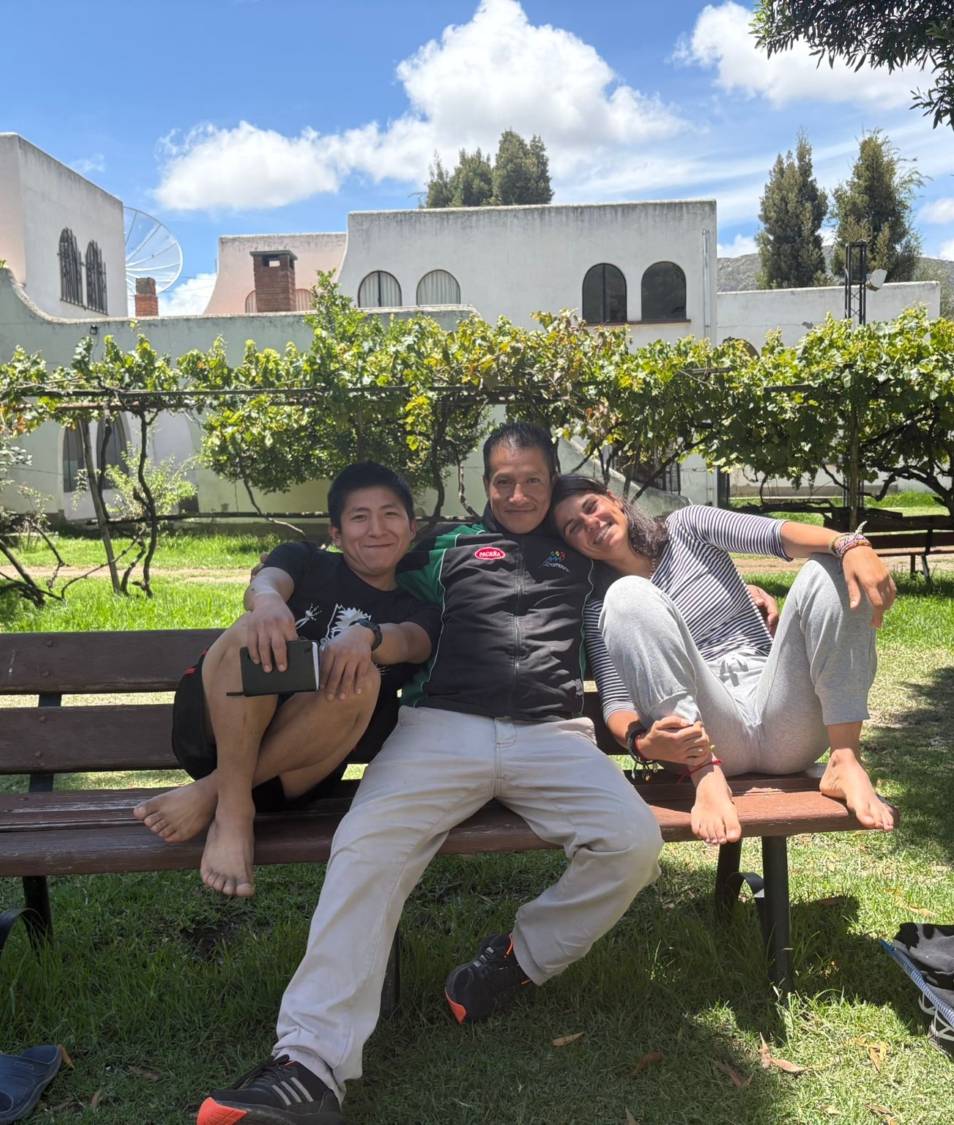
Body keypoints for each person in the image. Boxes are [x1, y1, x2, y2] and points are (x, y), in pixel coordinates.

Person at [196, 425, 663, 1125]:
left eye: (532, 481)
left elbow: (654, 569)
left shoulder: (579, 550)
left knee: (633, 842)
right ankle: (309, 1063)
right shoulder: (444, 547)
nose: (517, 494)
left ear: (552, 479)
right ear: (482, 484)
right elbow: (349, 564)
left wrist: (743, 590)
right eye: (503, 481)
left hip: (553, 734)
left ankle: (518, 958)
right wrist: (277, 594)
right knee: (366, 848)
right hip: (440, 726)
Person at [133, 462, 440, 899]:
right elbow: (267, 582)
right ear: (336, 534)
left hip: (294, 772)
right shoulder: (306, 561)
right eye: (359, 517)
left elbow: (410, 642)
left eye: (390, 514)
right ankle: (233, 813)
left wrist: (367, 635)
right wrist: (268, 601)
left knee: (364, 677)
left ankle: (213, 795)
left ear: (411, 528)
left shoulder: (418, 607)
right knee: (251, 628)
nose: (376, 529)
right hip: (214, 734)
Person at [548, 475, 898, 847]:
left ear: (613, 499)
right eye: (573, 528)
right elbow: (617, 704)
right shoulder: (604, 606)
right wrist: (642, 743)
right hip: (706, 737)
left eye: (591, 507)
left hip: (782, 716)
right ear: (571, 545)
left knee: (830, 563)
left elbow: (776, 535)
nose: (590, 524)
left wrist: (849, 543)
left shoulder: (688, 526)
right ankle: (706, 776)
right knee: (627, 594)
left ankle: (845, 759)